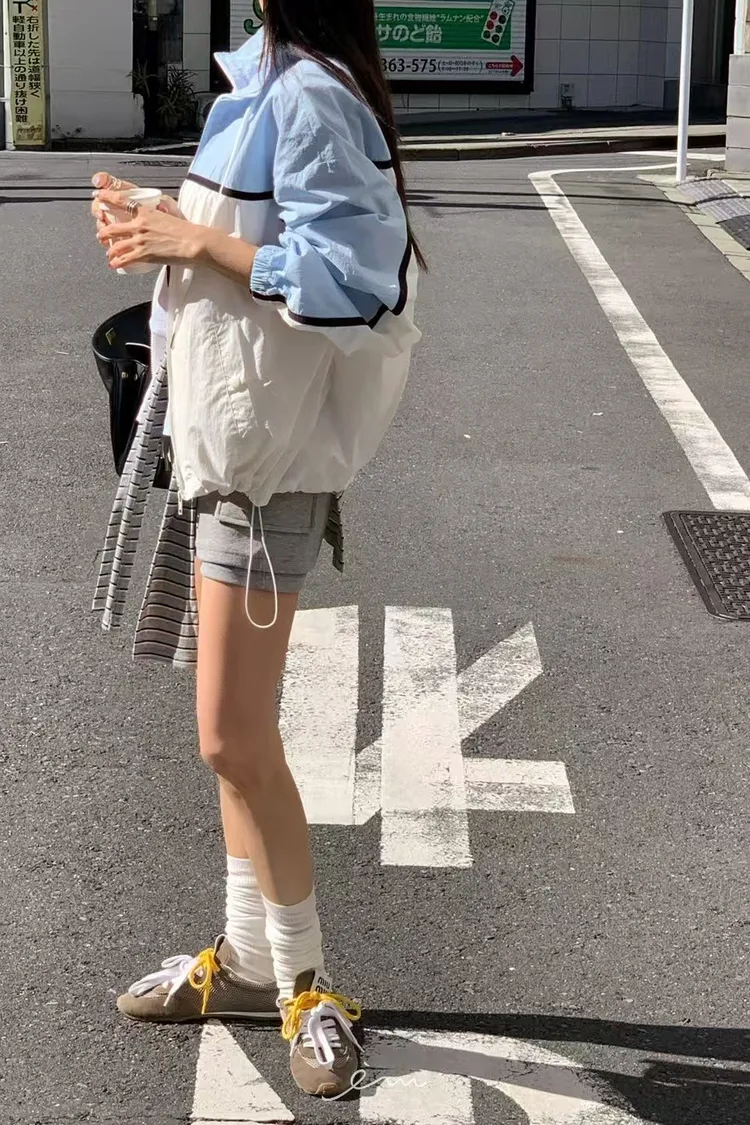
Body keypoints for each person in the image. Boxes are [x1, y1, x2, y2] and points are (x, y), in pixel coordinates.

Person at [90, 0, 422, 1102]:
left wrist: (194, 241)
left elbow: (358, 281)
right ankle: (244, 961)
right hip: (224, 451)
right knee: (228, 742)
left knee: (234, 736)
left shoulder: (312, 91)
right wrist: (156, 220)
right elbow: (249, 244)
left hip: (268, 466)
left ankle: (307, 984)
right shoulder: (264, 79)